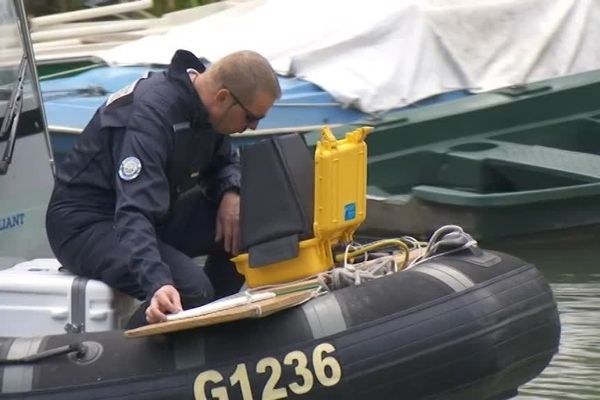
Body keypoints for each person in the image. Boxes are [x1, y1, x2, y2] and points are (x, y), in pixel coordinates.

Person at [46, 49, 281, 326]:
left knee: (248, 220)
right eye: (251, 118)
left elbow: (224, 163)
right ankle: (125, 359)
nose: (253, 127)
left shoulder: (207, 111)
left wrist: (232, 192)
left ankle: (216, 328)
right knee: (190, 289)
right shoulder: (150, 115)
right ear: (223, 97)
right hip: (86, 224)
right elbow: (133, 211)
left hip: (151, 213)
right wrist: (157, 281)